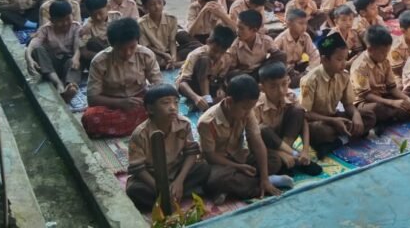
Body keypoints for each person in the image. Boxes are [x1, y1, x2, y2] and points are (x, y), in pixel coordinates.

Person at [198, 74, 290, 204]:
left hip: (239, 155)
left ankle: (253, 183)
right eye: (245, 109)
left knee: (274, 160)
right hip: (220, 164)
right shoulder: (207, 122)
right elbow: (210, 156)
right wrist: (238, 167)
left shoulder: (247, 111)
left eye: (251, 108)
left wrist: (263, 176)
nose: (248, 112)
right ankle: (263, 184)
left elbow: (257, 142)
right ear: (229, 102)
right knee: (215, 180)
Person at [125, 84, 210, 211]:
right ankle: (176, 195)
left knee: (203, 167)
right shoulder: (140, 134)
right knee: (134, 190)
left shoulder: (183, 124)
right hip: (152, 176)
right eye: (165, 103)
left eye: (176, 102)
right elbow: (138, 168)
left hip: (175, 170)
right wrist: (161, 189)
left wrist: (179, 181)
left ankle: (174, 194)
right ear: (150, 109)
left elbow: (191, 152)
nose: (173, 108)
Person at [82, 18, 163, 138]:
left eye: (132, 47)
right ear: (112, 44)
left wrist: (152, 97)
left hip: (139, 102)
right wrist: (121, 103)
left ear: (137, 41)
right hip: (111, 104)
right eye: (121, 49)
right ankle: (142, 126)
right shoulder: (99, 62)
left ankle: (118, 129)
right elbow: (93, 99)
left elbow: (159, 86)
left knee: (164, 107)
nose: (127, 53)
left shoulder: (146, 55)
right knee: (90, 117)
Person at [300, 32, 375, 158]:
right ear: (324, 60)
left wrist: (356, 115)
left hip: (334, 116)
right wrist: (334, 121)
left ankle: (338, 141)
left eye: (345, 59)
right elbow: (306, 113)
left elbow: (348, 104)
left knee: (369, 116)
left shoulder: (343, 75)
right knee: (321, 131)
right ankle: (343, 138)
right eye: (339, 60)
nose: (344, 63)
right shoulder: (310, 80)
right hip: (318, 121)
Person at [255, 62, 322, 176]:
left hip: (285, 142)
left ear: (288, 80)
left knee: (298, 111)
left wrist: (305, 150)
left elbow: (303, 121)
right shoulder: (256, 106)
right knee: (262, 129)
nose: (281, 90)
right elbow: (254, 138)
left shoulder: (290, 96)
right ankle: (293, 157)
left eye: (284, 84)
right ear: (262, 88)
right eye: (273, 86)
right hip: (266, 147)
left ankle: (294, 157)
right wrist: (279, 153)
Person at [350, 25, 410, 128]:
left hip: (383, 97)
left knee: (409, 100)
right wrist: (392, 102)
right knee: (377, 108)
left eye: (387, 52)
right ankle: (390, 118)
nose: (386, 56)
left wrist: (406, 98)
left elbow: (392, 88)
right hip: (365, 102)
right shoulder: (360, 66)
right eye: (383, 53)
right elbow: (366, 95)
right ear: (370, 49)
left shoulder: (385, 61)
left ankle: (388, 119)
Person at [26, 1, 81, 103]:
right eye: (60, 21)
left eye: (68, 19)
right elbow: (32, 45)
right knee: (38, 50)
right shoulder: (45, 29)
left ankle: (70, 86)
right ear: (52, 20)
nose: (65, 23)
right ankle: (58, 83)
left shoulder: (76, 27)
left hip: (68, 62)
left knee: (74, 62)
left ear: (72, 16)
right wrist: (29, 59)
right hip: (51, 65)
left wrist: (76, 57)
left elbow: (78, 46)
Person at [176, 25, 236, 112]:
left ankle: (207, 102)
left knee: (234, 78)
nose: (217, 55)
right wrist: (196, 98)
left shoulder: (227, 57)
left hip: (211, 84)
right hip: (191, 86)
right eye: (214, 51)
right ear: (208, 42)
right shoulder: (195, 55)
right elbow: (182, 83)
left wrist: (220, 88)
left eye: (221, 52)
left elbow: (220, 79)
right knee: (204, 60)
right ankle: (206, 102)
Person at [227, 10, 286, 79]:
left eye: (241, 28)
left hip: (262, 70)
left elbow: (278, 55)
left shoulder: (266, 40)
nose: (237, 31)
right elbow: (232, 68)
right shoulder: (234, 46)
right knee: (233, 75)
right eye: (237, 27)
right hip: (245, 75)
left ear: (254, 30)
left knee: (281, 56)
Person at [274, 9, 319, 88]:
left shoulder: (305, 36)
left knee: (319, 68)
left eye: (306, 23)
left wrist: (309, 70)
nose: (304, 27)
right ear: (289, 24)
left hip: (298, 66)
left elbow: (314, 54)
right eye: (301, 23)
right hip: (286, 69)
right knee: (288, 80)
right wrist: (288, 69)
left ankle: (304, 78)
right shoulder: (281, 39)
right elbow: (274, 60)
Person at [138, 0, 182, 69]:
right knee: (145, 59)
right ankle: (178, 64)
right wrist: (164, 55)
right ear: (145, 7)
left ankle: (172, 63)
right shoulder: (141, 24)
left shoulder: (172, 19)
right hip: (154, 53)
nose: (157, 7)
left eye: (159, 3)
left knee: (190, 46)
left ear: (163, 3)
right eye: (152, 4)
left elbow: (172, 41)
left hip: (169, 51)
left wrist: (173, 56)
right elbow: (146, 46)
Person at [78, 0, 115, 70]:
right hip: (97, 57)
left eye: (100, 13)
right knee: (93, 42)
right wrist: (105, 56)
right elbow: (84, 52)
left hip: (117, 53)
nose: (98, 17)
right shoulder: (86, 27)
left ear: (108, 7)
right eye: (93, 15)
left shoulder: (117, 17)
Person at [389, 10, 410, 88]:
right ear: (403, 30)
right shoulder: (396, 48)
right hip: (400, 75)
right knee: (400, 87)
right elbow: (398, 71)